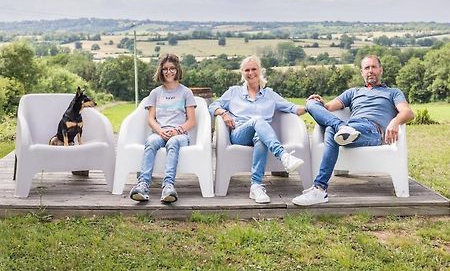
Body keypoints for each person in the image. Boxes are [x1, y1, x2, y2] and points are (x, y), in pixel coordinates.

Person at [292, 54, 414, 206]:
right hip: (349, 129)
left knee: (332, 129)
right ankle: (341, 128)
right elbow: (327, 108)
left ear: (380, 70)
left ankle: (320, 189)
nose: (370, 71)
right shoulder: (353, 92)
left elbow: (408, 112)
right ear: (362, 72)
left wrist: (395, 121)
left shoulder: (393, 92)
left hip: (371, 130)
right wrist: (316, 103)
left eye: (373, 67)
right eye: (366, 68)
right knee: (312, 104)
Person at [209, 55, 307, 204]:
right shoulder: (233, 92)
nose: (250, 73)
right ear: (242, 73)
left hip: (260, 136)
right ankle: (283, 155)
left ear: (260, 71)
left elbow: (292, 107)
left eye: (254, 69)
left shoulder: (270, 95)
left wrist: (310, 106)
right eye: (247, 70)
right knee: (257, 119)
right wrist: (223, 113)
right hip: (239, 134)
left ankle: (256, 186)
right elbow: (212, 106)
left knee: (260, 138)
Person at [129, 53, 196, 203]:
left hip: (180, 135)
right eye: (165, 69)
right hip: (160, 132)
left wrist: (176, 131)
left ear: (177, 70)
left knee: (173, 143)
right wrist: (160, 130)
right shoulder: (155, 93)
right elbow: (151, 119)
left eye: (172, 68)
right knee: (151, 142)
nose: (168, 71)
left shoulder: (186, 92)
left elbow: (191, 121)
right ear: (161, 71)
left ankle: (168, 186)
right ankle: (143, 185)